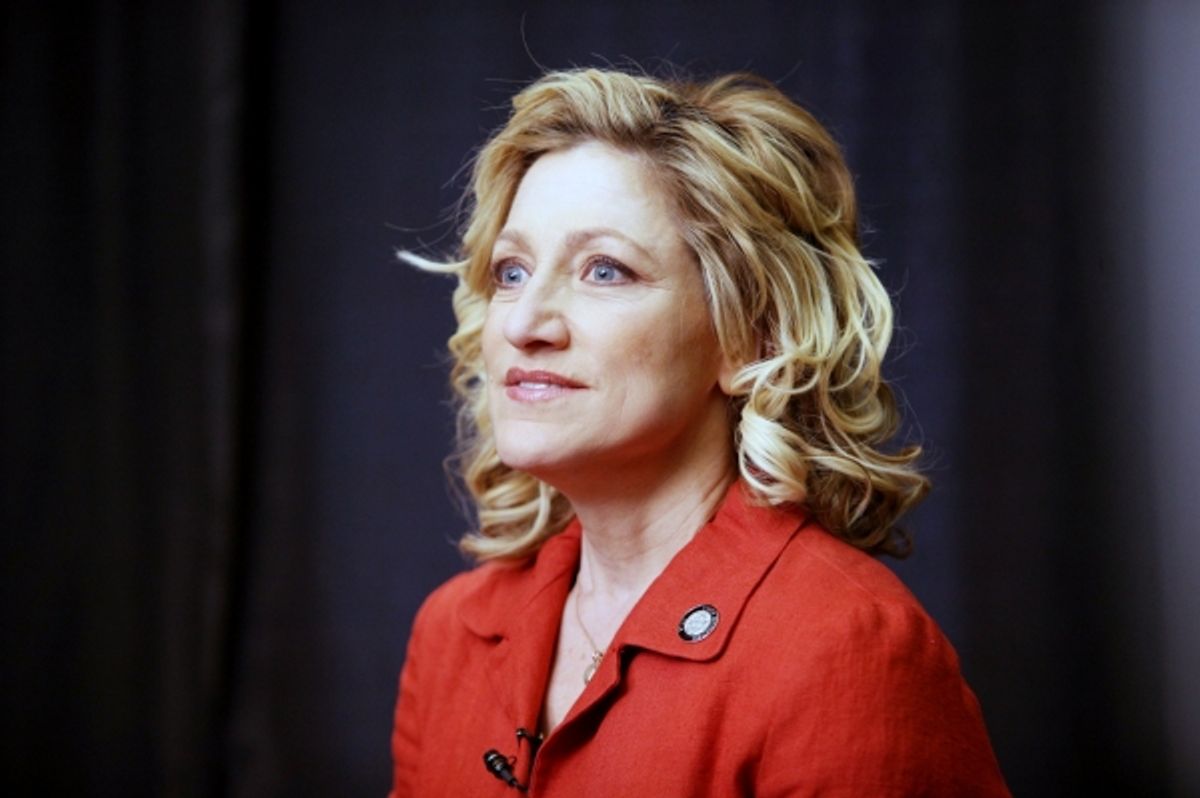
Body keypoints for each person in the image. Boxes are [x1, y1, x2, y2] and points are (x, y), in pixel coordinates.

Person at [390, 67, 1009, 796]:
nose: (525, 324)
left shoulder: (848, 650)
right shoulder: (453, 631)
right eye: (512, 271)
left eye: (606, 271)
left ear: (752, 337)